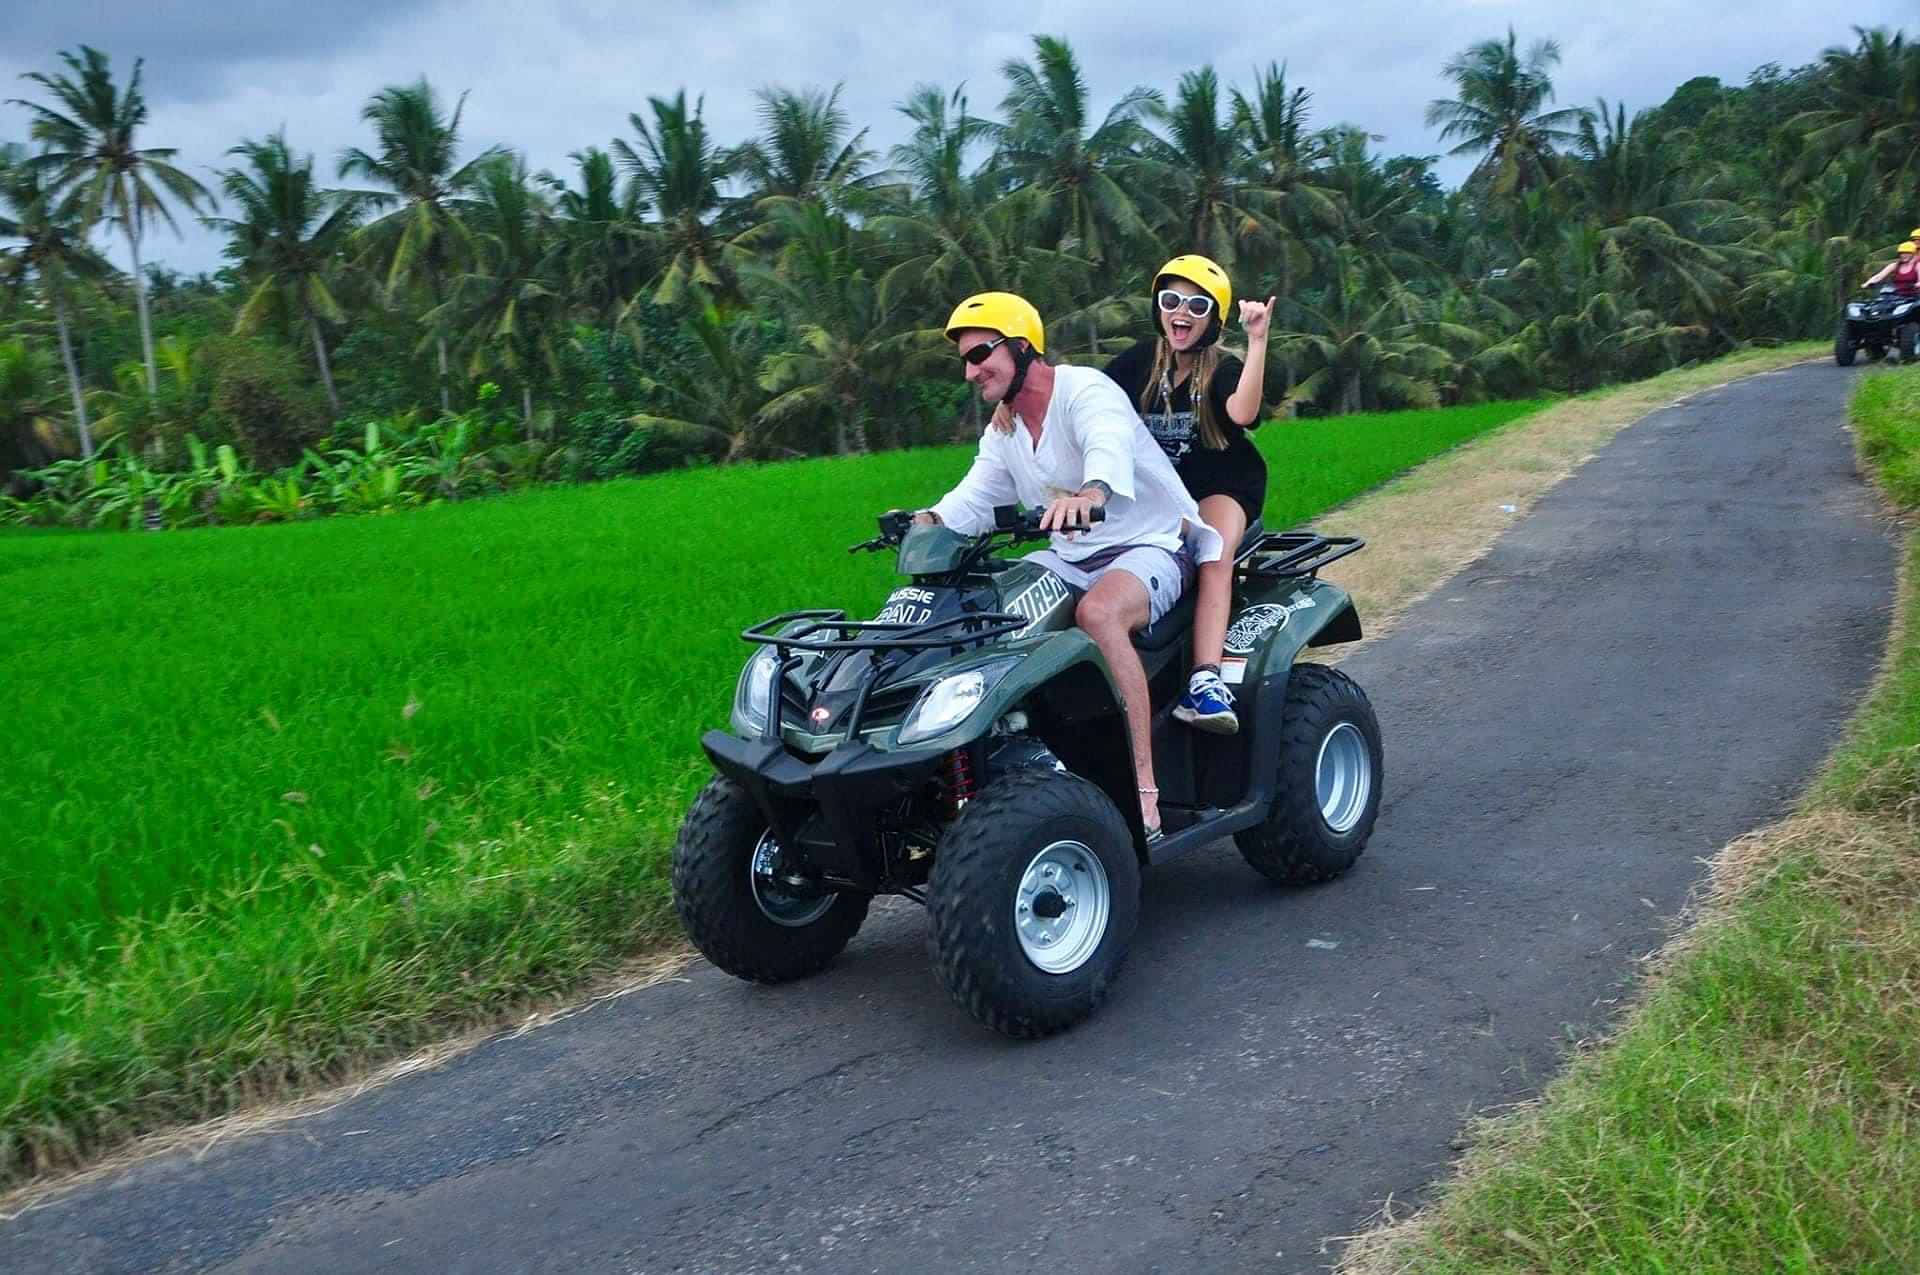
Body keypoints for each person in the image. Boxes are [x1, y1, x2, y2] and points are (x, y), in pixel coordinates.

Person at [919, 291, 1223, 838]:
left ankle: (1144, 794)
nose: (970, 372)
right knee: (994, 611)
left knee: (1100, 615)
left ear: (1021, 347)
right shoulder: (1005, 428)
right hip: (1072, 556)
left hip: (1152, 544)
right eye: (964, 359)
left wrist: (1092, 492)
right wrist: (927, 521)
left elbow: (1105, 446)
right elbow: (976, 497)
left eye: (980, 354)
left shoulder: (1084, 390)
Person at [1100, 255, 1274, 734]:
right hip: (1160, 493)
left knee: (1210, 554)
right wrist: (1020, 401)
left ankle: (1205, 680)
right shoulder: (1139, 362)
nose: (1181, 313)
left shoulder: (1222, 368)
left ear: (1213, 319)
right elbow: (1088, 397)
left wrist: (1257, 340)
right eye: (1171, 300)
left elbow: (1242, 412)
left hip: (1221, 485)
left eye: (1196, 305)